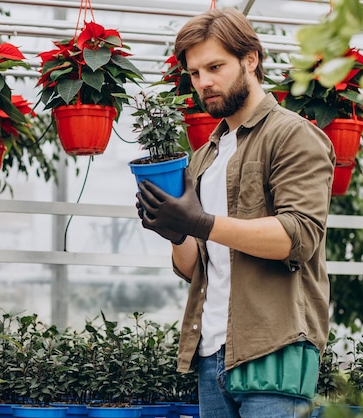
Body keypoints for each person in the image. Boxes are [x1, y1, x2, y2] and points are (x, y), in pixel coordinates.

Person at [135, 8, 335, 418]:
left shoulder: (293, 135)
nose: (204, 82)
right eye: (194, 73)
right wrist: (175, 229)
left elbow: (298, 237)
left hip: (275, 346)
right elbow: (196, 268)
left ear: (250, 60)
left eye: (215, 67)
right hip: (211, 351)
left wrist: (200, 223)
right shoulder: (204, 155)